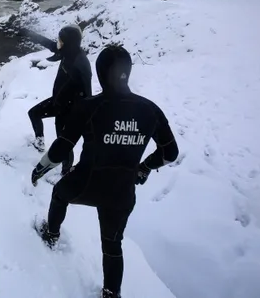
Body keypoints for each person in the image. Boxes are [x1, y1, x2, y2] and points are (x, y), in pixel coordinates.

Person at [30, 44, 179, 298]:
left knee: (59, 193)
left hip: (85, 184)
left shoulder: (88, 107)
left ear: (100, 73)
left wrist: (39, 169)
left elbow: (60, 149)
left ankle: (51, 233)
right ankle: (111, 293)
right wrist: (144, 167)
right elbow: (170, 153)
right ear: (127, 72)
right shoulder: (150, 110)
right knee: (112, 245)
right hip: (121, 192)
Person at [19, 24, 92, 175]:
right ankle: (40, 142)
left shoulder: (80, 64)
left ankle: (66, 172)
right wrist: (29, 33)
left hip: (69, 109)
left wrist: (82, 114)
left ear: (68, 43)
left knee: (63, 143)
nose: (58, 43)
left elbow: (87, 94)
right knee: (34, 113)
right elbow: (51, 45)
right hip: (57, 101)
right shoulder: (67, 51)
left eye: (61, 41)